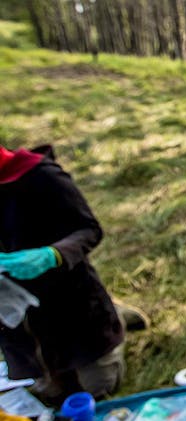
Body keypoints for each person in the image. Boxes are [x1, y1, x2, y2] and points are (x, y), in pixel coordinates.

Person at [0, 144, 127, 407]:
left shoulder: (40, 176)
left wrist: (53, 254)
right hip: (17, 325)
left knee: (96, 389)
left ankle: (114, 318)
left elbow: (89, 229)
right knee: (46, 398)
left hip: (72, 311)